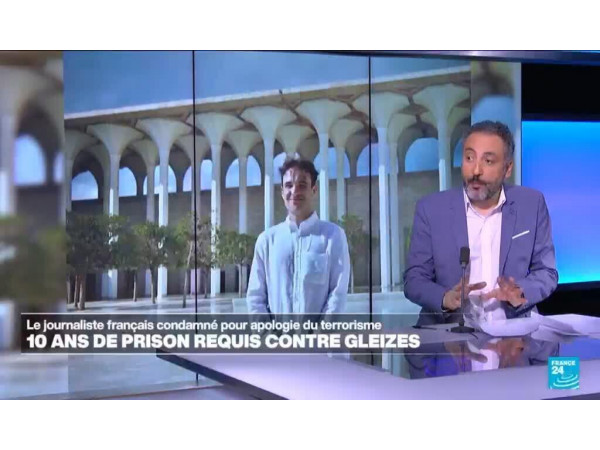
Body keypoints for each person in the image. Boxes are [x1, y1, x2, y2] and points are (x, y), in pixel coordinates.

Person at [404, 120, 558, 324]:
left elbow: (546, 272)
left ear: (507, 168)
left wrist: (520, 291)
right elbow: (414, 279)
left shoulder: (531, 204)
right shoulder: (431, 209)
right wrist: (445, 298)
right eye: (469, 158)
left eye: (488, 161)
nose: (476, 170)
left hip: (514, 331)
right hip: (449, 332)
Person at [246, 158, 350, 315]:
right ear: (282, 192)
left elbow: (337, 294)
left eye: (302, 185)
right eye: (289, 185)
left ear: (314, 190)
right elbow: (255, 297)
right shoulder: (267, 241)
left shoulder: (332, 237)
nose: (294, 191)